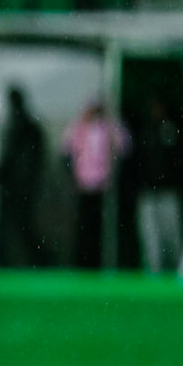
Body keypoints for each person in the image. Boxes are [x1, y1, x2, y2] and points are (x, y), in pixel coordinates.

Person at [65, 100, 128, 268]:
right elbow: (66, 147)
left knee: (101, 228)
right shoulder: (80, 127)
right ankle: (84, 262)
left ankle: (99, 261)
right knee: (85, 227)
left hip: (103, 187)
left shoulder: (108, 127)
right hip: (85, 186)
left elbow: (124, 145)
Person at [134, 94, 183, 274]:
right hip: (149, 192)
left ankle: (177, 271)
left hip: (168, 191)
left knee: (171, 236)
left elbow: (179, 160)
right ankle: (153, 271)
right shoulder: (145, 131)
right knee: (151, 238)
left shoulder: (171, 129)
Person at [0, 87, 47, 266]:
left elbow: (9, 157)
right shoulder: (28, 126)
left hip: (15, 185)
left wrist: (1, 177)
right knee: (23, 225)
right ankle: (34, 260)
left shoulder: (18, 126)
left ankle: (13, 260)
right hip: (21, 185)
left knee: (14, 225)